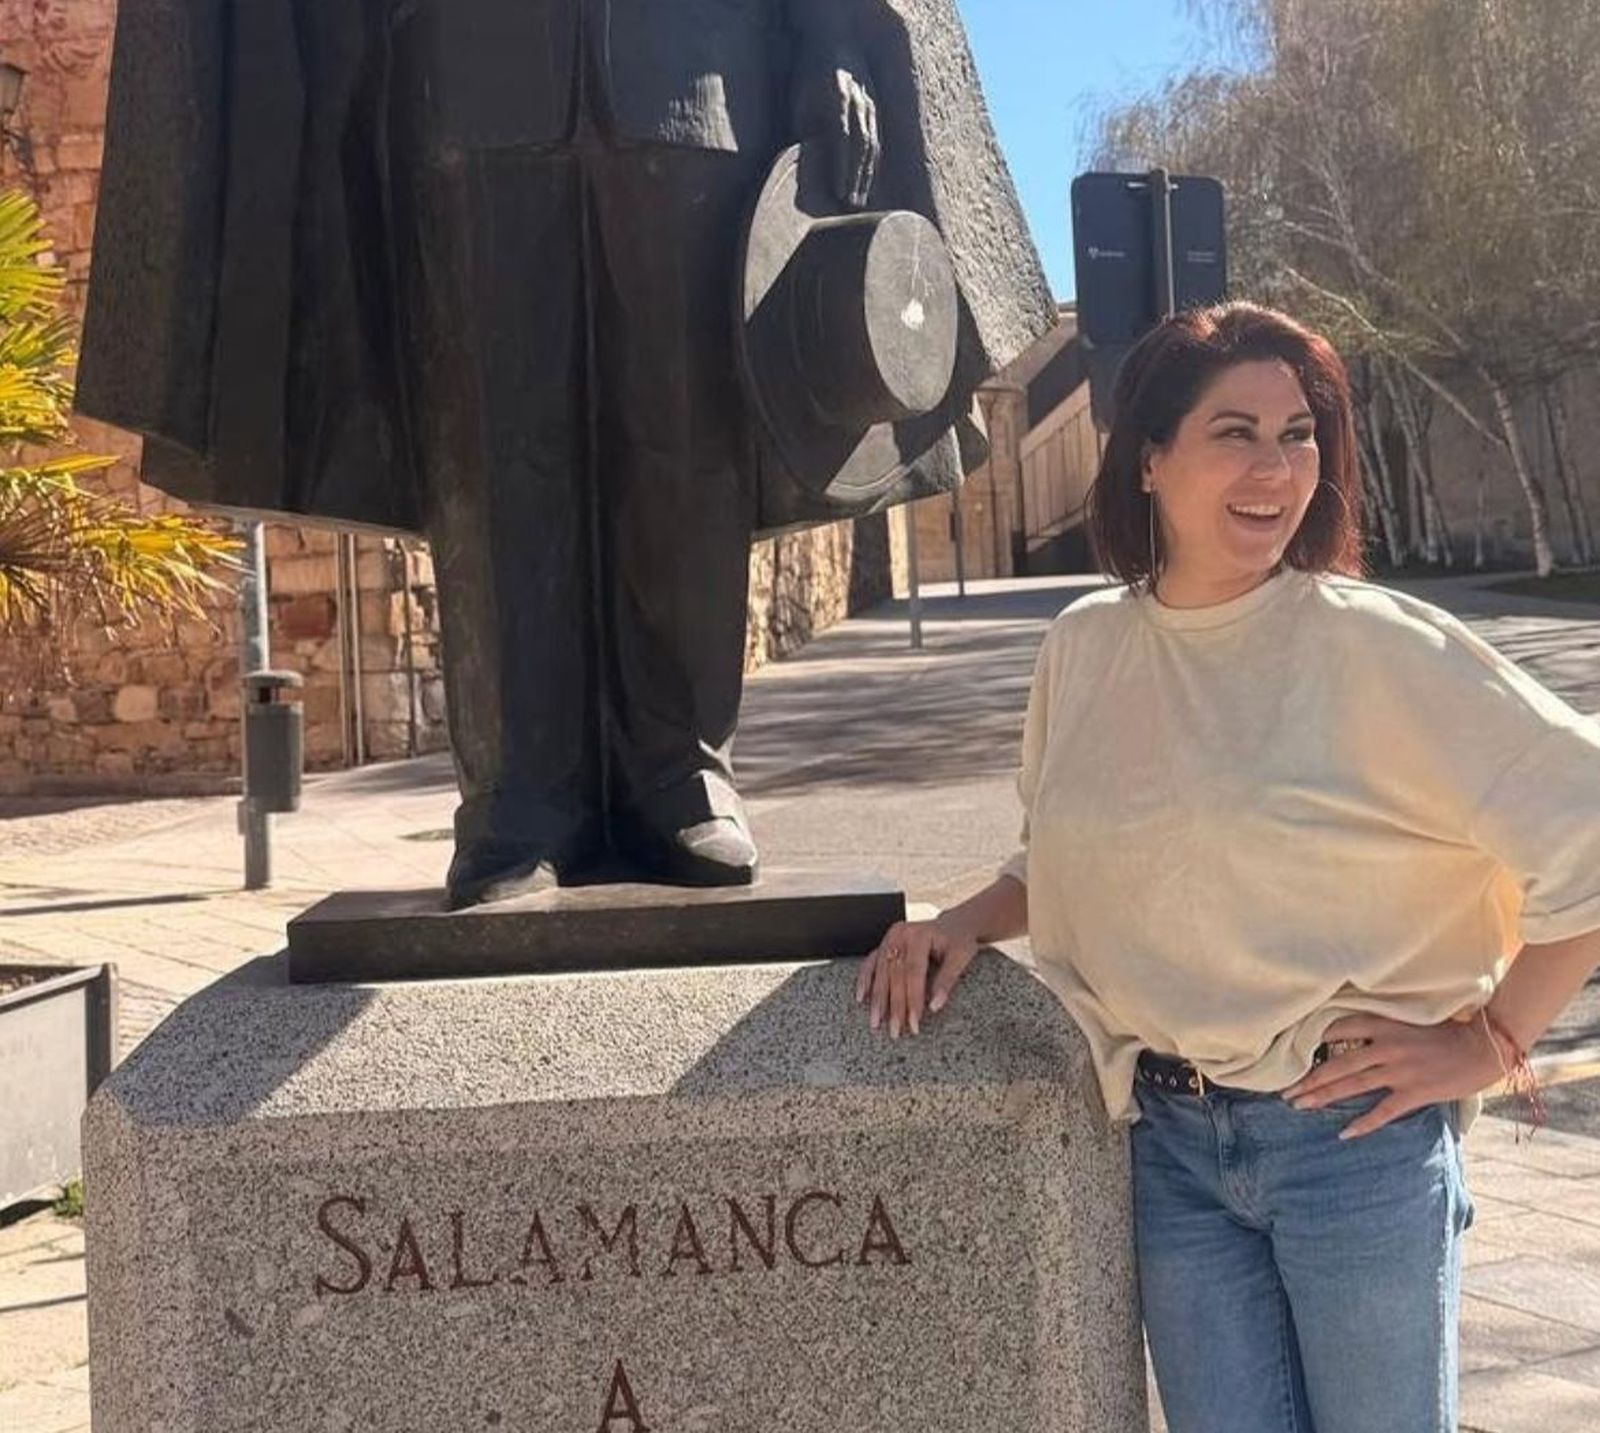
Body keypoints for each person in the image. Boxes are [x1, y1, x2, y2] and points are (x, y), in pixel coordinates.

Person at [854, 302, 1600, 1433]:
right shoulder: (1086, 646)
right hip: (1167, 1146)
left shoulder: (1373, 644)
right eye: (1233, 431)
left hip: (1348, 1143)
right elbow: (1076, 845)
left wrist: (1487, 1040)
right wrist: (961, 918)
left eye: (1297, 433)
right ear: (1149, 458)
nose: (1275, 467)